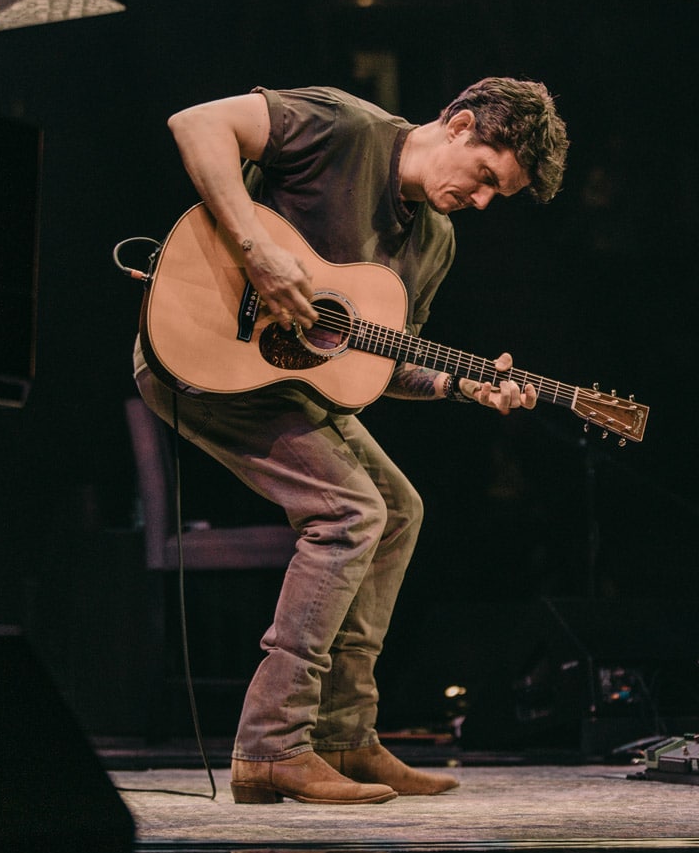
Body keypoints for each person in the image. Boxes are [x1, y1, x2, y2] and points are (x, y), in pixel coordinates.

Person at [133, 78, 569, 805]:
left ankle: (343, 734)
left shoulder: (434, 241)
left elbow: (380, 364)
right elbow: (196, 121)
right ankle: (272, 744)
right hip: (200, 351)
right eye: (487, 177)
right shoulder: (343, 128)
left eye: (501, 194)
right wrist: (255, 249)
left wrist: (460, 385)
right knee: (350, 513)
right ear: (460, 125)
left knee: (398, 511)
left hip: (281, 384)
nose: (484, 201)